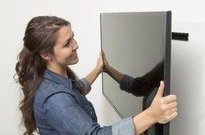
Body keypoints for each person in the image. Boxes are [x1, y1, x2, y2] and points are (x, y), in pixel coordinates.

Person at [15, 16, 177, 135]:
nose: (76, 45)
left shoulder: (52, 76)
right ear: (46, 54)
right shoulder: (56, 99)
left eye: (73, 38)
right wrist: (151, 115)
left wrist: (101, 68)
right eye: (67, 43)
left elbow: (78, 89)